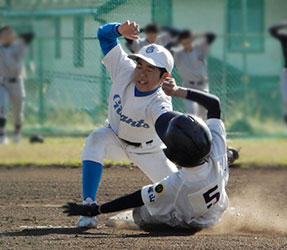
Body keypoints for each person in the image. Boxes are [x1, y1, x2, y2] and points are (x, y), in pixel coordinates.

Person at [64, 80, 229, 230]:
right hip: (218, 207)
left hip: (193, 223)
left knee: (142, 212)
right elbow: (214, 105)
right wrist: (178, 91)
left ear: (175, 157)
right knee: (178, 200)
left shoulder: (178, 183)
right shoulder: (217, 149)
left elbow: (139, 198)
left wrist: (97, 209)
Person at [77, 20, 179, 228]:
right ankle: (89, 208)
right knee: (96, 138)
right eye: (140, 65)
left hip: (149, 150)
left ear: (164, 76)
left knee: (178, 192)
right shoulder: (124, 69)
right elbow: (103, 36)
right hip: (114, 136)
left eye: (150, 69)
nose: (141, 73)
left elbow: (165, 123)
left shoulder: (160, 102)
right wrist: (117, 29)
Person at [171, 29, 216, 120]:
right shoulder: (178, 53)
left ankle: (204, 133)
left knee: (204, 114)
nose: (186, 45)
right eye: (184, 43)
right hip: (188, 86)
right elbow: (167, 48)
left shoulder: (200, 48)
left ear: (191, 40)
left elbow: (211, 35)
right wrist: (178, 40)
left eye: (188, 42)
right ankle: (192, 133)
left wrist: (194, 36)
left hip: (202, 85)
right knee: (192, 112)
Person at [0, 25, 34, 144]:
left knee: (18, 113)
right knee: (2, 107)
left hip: (17, 82)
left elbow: (30, 36)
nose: (7, 35)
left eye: (9, 33)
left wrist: (16, 37)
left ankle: (17, 132)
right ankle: (2, 134)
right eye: (4, 34)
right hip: (3, 82)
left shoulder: (18, 46)